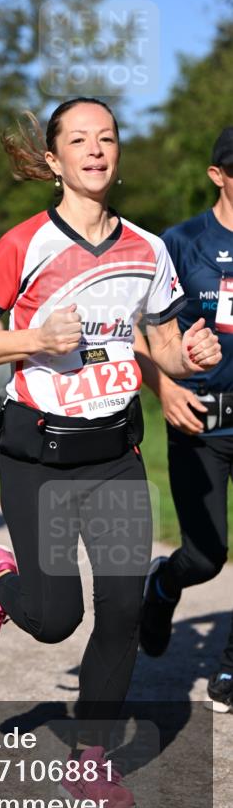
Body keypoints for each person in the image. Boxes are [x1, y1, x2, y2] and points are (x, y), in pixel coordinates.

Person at [0, 98, 222, 808]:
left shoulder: (148, 249)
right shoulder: (25, 243)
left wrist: (189, 356)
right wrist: (34, 340)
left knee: (122, 609)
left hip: (115, 457)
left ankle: (92, 758)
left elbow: (162, 344)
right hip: (38, 457)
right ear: (54, 160)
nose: (95, 150)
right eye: (79, 140)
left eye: (106, 138)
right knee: (53, 620)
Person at [136, 126, 233, 714]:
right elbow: (135, 329)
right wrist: (165, 388)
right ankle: (163, 584)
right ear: (218, 175)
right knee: (205, 556)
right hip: (201, 421)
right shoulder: (180, 243)